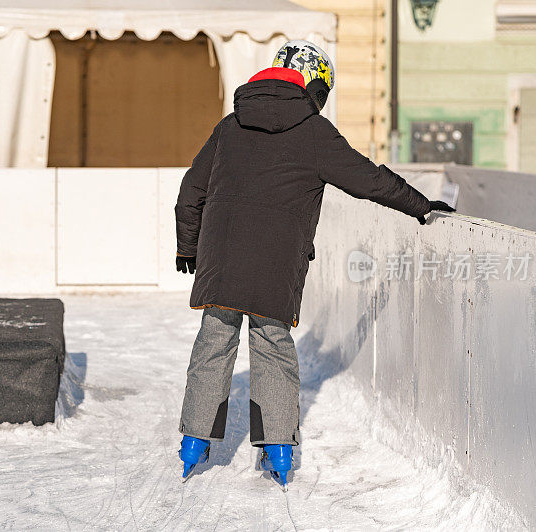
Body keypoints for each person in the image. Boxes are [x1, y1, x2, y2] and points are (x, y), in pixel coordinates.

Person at [174, 40, 454, 489]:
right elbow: (369, 180)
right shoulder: (314, 133)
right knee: (273, 346)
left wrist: (187, 248)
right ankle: (280, 450)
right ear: (315, 87)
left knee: (214, 340)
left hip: (219, 258)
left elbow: (192, 190)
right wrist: (420, 205)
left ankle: (194, 442)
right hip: (275, 264)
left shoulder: (230, 125)